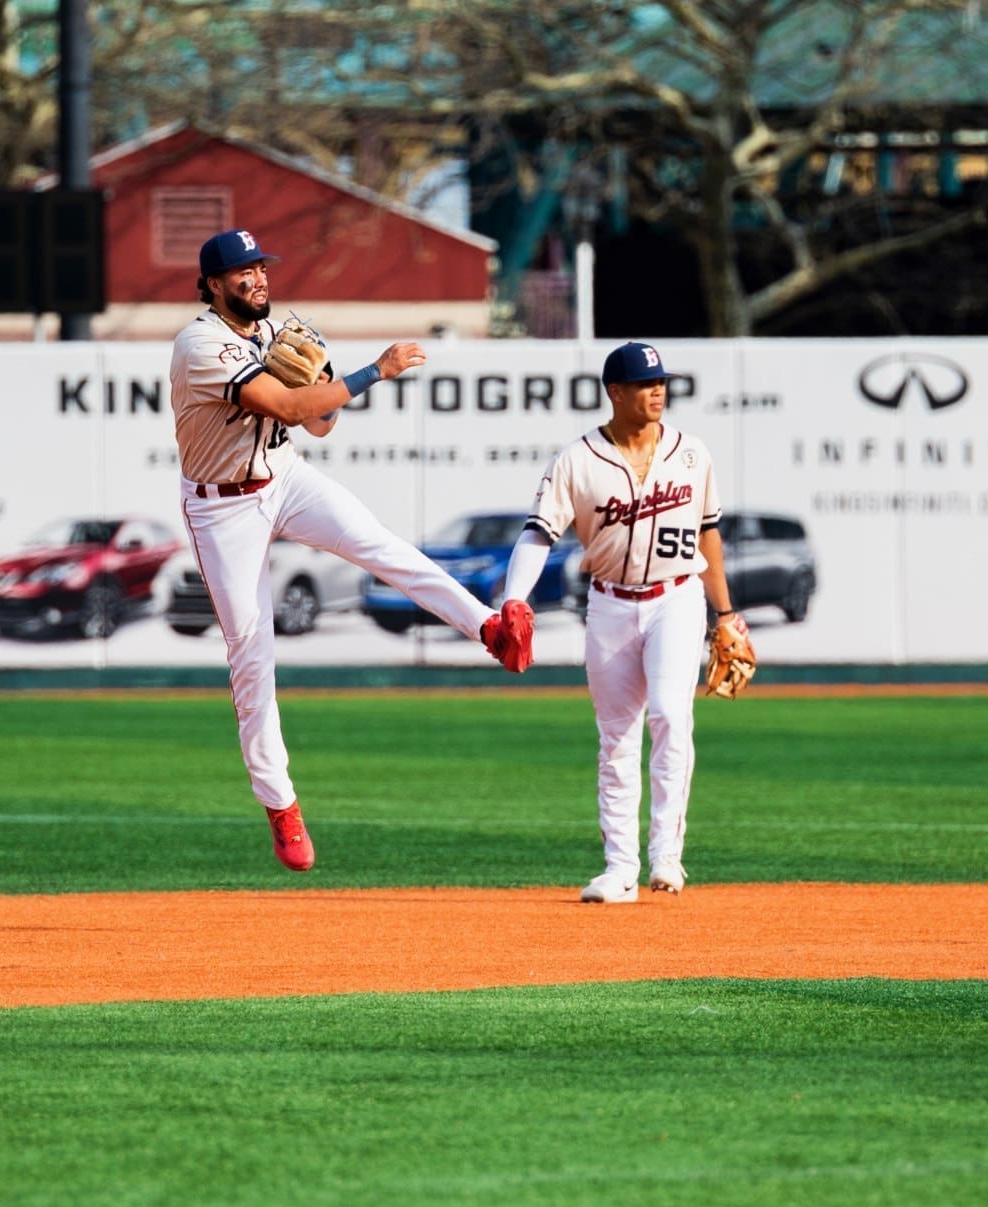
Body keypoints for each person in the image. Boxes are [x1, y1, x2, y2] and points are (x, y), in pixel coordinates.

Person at [171, 228, 533, 872]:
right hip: (221, 505)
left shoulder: (267, 332)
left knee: (379, 543)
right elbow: (281, 403)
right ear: (212, 284)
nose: (257, 278)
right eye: (242, 272)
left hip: (283, 476)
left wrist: (326, 371)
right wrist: (372, 371)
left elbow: (317, 420)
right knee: (252, 653)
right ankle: (281, 806)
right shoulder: (200, 343)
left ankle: (487, 627)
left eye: (261, 267)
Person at [499, 341, 746, 903]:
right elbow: (540, 531)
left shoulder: (691, 453)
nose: (657, 391)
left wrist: (726, 613)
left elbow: (709, 533)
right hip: (609, 603)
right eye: (644, 383)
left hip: (677, 598)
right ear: (615, 391)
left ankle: (666, 855)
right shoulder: (578, 459)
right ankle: (619, 868)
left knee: (669, 715)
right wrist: (515, 598)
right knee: (615, 738)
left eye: (661, 382)